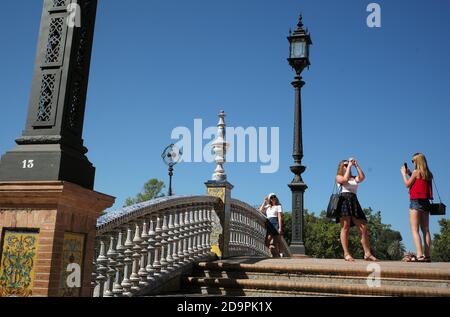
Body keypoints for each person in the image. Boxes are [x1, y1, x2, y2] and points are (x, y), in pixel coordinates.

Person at [336, 158, 377, 262]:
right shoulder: (339, 177)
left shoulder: (354, 178)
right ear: (342, 167)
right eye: (345, 165)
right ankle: (346, 253)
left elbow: (362, 177)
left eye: (347, 164)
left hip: (354, 201)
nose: (347, 165)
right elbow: (344, 180)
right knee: (345, 227)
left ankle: (367, 253)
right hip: (344, 200)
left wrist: (356, 165)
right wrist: (349, 166)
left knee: (363, 228)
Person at [401, 153, 433, 263]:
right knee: (426, 229)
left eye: (413, 160)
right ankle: (427, 256)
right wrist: (410, 172)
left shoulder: (416, 172)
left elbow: (407, 184)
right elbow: (418, 183)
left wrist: (404, 174)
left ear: (417, 161)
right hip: (426, 202)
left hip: (415, 202)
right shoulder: (428, 174)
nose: (413, 162)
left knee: (414, 229)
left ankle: (419, 255)